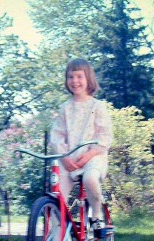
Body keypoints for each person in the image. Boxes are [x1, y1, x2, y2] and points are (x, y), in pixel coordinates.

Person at [49, 58, 113, 230]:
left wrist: (89, 155)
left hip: (93, 157)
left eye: (79, 76)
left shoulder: (97, 106)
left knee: (90, 178)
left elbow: (105, 136)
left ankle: (96, 216)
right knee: (56, 196)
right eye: (70, 77)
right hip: (68, 159)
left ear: (88, 79)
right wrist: (64, 157)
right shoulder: (65, 108)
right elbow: (56, 135)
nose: (75, 81)